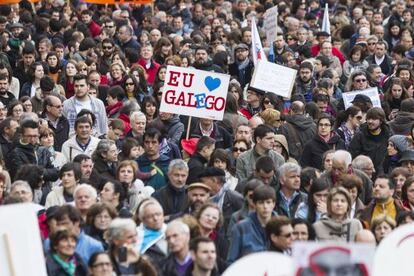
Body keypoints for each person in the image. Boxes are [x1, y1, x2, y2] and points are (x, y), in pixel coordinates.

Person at [227, 185, 276, 264]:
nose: (265, 206)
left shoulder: (282, 227)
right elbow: (231, 260)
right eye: (261, 203)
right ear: (254, 204)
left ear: (274, 204)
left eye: (268, 202)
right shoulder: (241, 228)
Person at [349, 107, 390, 174]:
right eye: (368, 118)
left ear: (381, 121)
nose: (370, 121)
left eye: (374, 119)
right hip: (364, 173)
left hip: (383, 174)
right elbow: (352, 155)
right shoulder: (360, 136)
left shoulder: (388, 135)